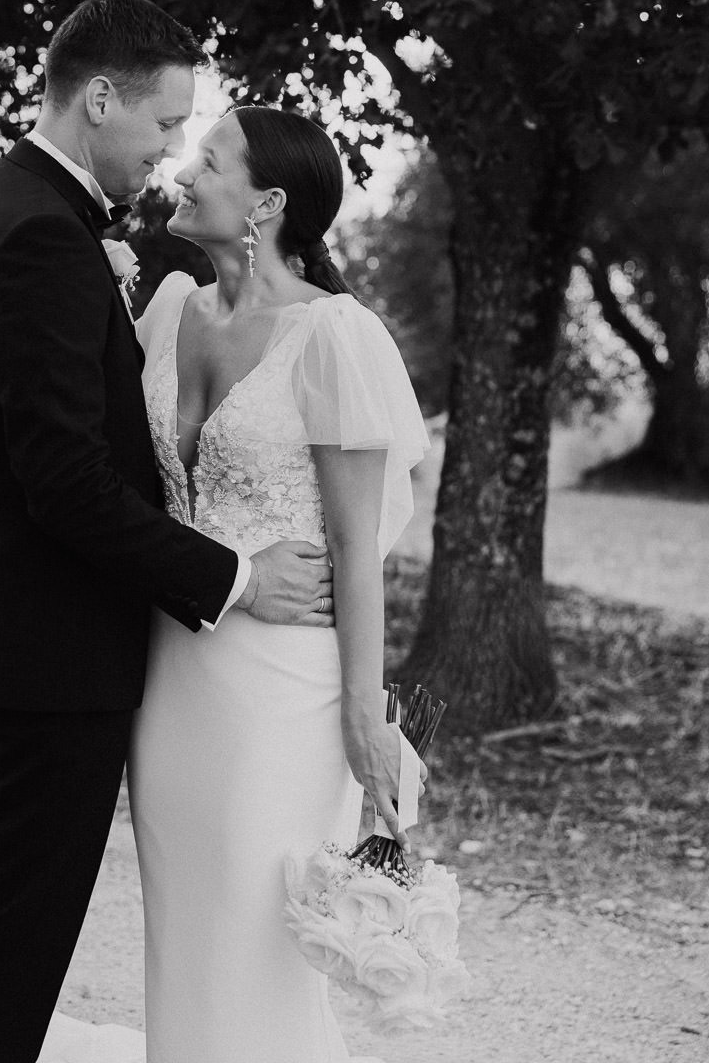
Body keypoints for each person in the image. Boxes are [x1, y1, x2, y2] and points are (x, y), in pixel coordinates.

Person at [0, 0, 335, 1063]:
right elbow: (68, 488)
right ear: (100, 99)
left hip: (13, 627)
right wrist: (231, 577)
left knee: (3, 916)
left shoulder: (15, 211)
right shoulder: (42, 233)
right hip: (45, 643)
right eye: (166, 124)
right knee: (13, 931)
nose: (171, 151)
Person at [43, 103, 429, 1063]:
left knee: (261, 934)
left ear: (266, 203)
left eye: (207, 159)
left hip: (282, 697)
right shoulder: (169, 307)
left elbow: (353, 553)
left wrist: (362, 721)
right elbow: (106, 463)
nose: (183, 168)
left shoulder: (334, 335)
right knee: (189, 926)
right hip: (174, 672)